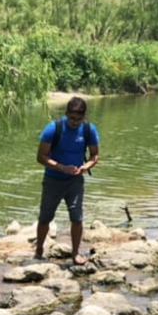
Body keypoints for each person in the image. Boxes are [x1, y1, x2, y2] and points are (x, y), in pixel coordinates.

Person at [35, 96, 99, 265]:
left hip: (75, 181)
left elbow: (94, 155)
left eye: (78, 119)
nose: (74, 123)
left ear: (84, 117)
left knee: (76, 218)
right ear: (66, 113)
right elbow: (41, 157)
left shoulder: (88, 129)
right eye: (71, 118)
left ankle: (75, 253)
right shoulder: (53, 128)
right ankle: (39, 250)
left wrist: (85, 167)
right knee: (45, 218)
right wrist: (61, 167)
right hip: (53, 180)